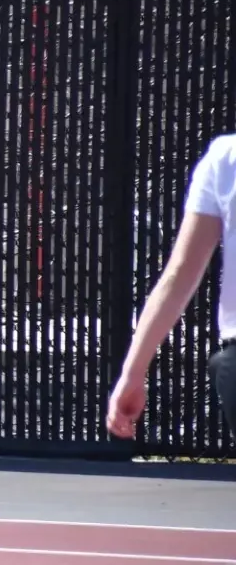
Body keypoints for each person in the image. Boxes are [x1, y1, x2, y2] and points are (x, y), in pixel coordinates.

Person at [107, 133, 236, 442]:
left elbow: (180, 275)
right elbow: (178, 275)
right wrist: (133, 371)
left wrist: (134, 372)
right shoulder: (225, 159)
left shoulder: (226, 158)